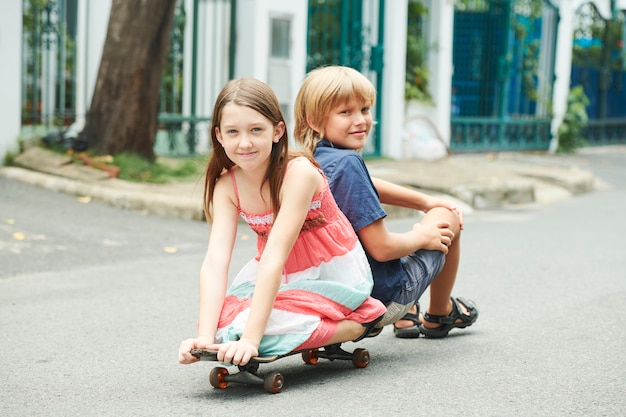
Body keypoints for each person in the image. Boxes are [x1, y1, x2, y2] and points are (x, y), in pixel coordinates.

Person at [178, 78, 386, 367]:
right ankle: (270, 331)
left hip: (332, 270)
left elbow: (274, 258)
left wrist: (251, 340)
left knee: (255, 334)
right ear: (219, 135)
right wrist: (204, 337)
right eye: (233, 132)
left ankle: (359, 322)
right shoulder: (227, 186)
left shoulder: (297, 173)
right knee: (225, 329)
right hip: (281, 275)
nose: (245, 142)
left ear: (277, 131)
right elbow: (215, 262)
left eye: (256, 130)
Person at [294, 66, 478, 339]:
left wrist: (424, 201)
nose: (360, 120)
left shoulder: (311, 163)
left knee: (429, 214)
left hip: (334, 296)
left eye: (365, 109)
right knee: (445, 216)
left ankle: (409, 316)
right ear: (314, 120)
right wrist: (422, 235)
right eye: (346, 112)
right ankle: (440, 313)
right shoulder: (348, 164)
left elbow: (367, 184)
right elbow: (382, 249)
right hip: (381, 298)